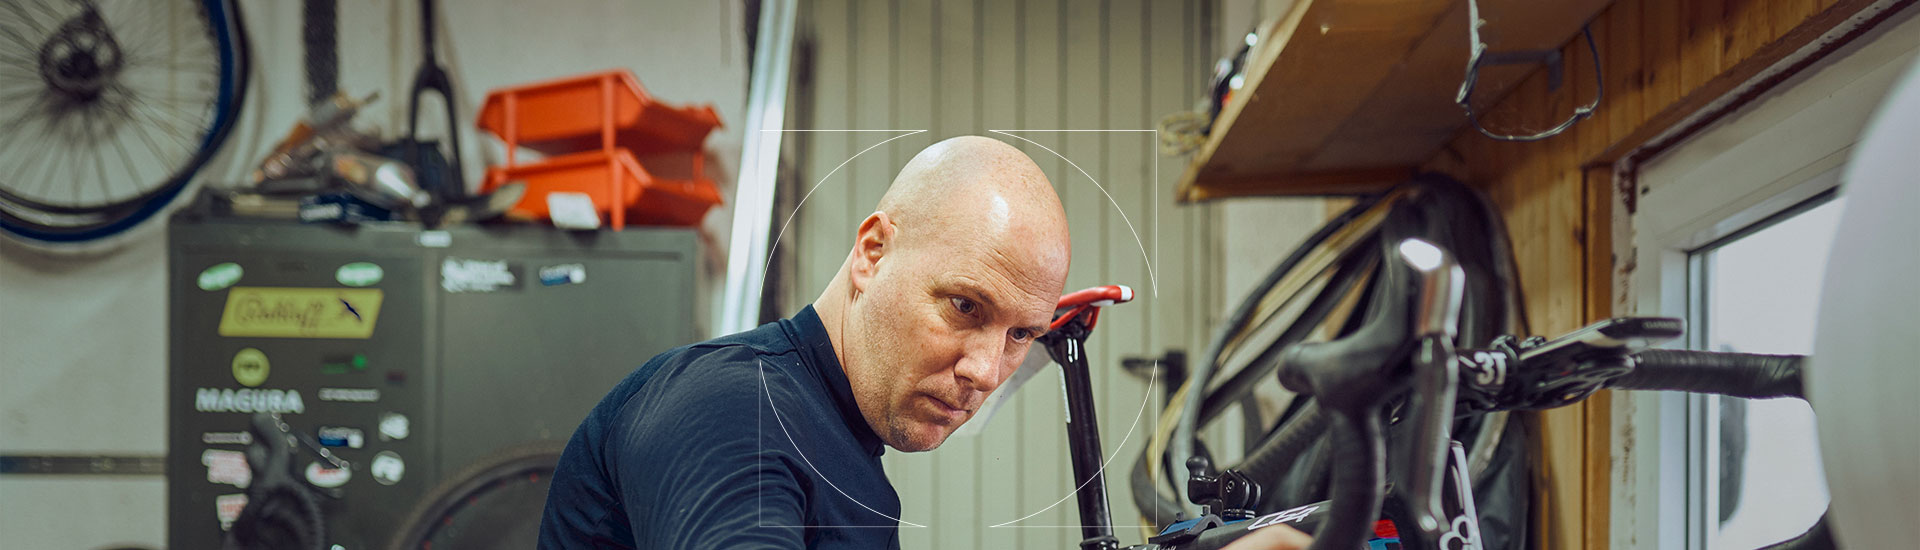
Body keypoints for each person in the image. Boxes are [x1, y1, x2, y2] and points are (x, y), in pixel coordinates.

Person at [538, 135, 1310, 549]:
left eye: (1019, 336)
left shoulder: (838, 438)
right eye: (965, 306)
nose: (984, 370)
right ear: (872, 252)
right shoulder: (739, 410)